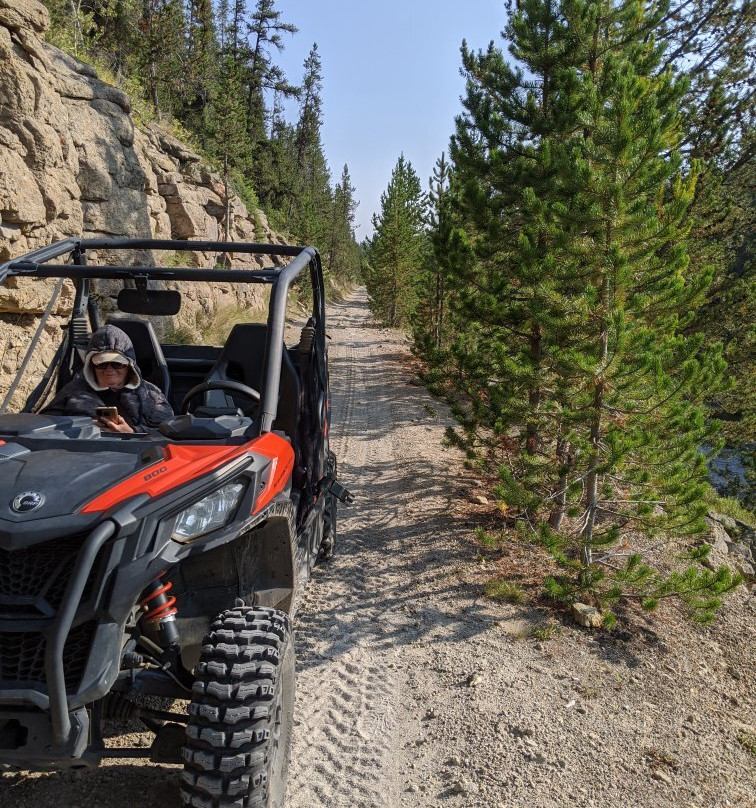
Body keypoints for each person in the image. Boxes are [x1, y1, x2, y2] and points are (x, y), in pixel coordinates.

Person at [44, 324, 173, 433]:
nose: (109, 369)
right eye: (102, 363)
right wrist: (82, 425)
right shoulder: (72, 390)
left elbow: (168, 431)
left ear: (129, 365)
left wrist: (133, 432)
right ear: (91, 365)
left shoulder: (150, 393)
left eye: (117, 364)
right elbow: (44, 425)